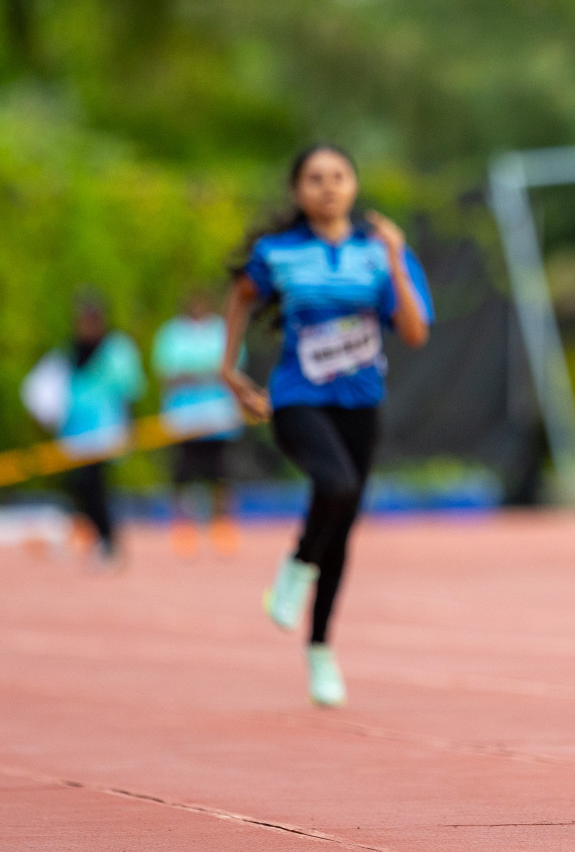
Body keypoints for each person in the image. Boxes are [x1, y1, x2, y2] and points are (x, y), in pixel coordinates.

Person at [220, 144, 432, 707]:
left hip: (361, 403)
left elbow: (413, 332)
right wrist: (229, 370)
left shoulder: (378, 252)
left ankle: (319, 651)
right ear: (297, 192)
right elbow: (240, 298)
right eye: (315, 179)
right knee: (334, 486)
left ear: (354, 184)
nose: (328, 187)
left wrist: (395, 258)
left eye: (338, 176)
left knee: (341, 527)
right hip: (297, 400)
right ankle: (293, 569)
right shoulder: (277, 254)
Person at [21, 294, 146, 568]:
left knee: (95, 485)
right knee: (79, 487)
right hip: (74, 433)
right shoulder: (68, 352)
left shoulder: (116, 350)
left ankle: (109, 542)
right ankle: (94, 538)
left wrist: (128, 426)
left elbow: (129, 391)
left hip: (104, 430)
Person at [153, 291, 244, 559]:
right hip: (184, 420)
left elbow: (232, 372)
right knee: (184, 473)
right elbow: (169, 375)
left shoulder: (221, 330)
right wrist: (211, 373)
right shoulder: (171, 333)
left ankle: (222, 525)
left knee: (220, 473)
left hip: (219, 419)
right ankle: (184, 527)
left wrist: (196, 373)